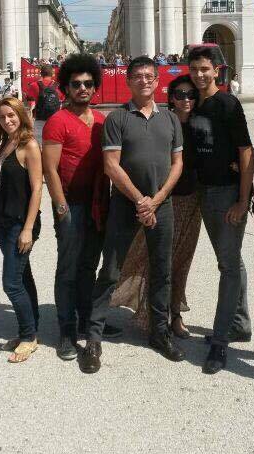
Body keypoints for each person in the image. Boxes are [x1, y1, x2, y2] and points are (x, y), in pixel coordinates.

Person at [79, 56, 184, 374]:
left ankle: (159, 332)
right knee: (110, 271)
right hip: (126, 206)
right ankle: (93, 338)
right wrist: (141, 201)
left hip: (162, 206)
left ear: (157, 81)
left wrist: (157, 199)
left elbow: (178, 163)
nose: (144, 81)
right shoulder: (118, 118)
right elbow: (111, 165)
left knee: (162, 271)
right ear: (128, 81)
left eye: (149, 76)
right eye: (137, 76)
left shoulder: (171, 119)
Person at [42, 54, 119, 361]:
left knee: (89, 265)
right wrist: (61, 208)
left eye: (88, 83)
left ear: (95, 86)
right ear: (66, 87)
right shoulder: (57, 121)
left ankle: (88, 320)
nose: (83, 88)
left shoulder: (101, 121)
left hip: (98, 204)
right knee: (68, 268)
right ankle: (66, 329)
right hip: (70, 205)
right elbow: (50, 170)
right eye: (76, 84)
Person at [111, 75, 201, 339]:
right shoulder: (164, 121)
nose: (186, 99)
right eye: (180, 94)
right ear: (171, 97)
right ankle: (148, 313)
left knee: (180, 262)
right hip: (158, 201)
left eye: (191, 95)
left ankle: (174, 313)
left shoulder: (201, 123)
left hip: (190, 199)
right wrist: (148, 201)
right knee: (148, 260)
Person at [187, 45, 254, 375]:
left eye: (205, 69)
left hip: (226, 193)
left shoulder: (228, 103)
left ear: (217, 70)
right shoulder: (196, 104)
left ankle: (221, 340)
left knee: (227, 265)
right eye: (195, 69)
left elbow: (246, 151)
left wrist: (243, 200)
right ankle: (239, 323)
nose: (200, 75)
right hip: (204, 191)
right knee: (231, 260)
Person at [0, 98, 43, 364]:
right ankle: (31, 328)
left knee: (11, 282)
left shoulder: (28, 144)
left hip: (21, 224)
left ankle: (28, 336)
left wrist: (28, 229)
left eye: (11, 115)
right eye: (2, 117)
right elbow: (2, 186)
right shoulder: (7, 143)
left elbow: (37, 189)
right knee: (23, 277)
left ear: (21, 115)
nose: (7, 120)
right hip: (5, 222)